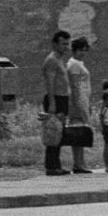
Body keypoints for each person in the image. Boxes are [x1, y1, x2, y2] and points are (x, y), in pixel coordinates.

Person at [41, 30, 73, 176]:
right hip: (56, 99)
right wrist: (52, 103)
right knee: (53, 133)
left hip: (63, 98)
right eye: (63, 44)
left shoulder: (60, 59)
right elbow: (50, 83)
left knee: (59, 134)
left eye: (67, 44)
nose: (66, 47)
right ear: (55, 44)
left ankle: (56, 165)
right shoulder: (52, 60)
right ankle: (51, 166)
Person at [65, 36, 94, 174]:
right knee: (78, 133)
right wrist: (81, 106)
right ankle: (79, 163)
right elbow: (76, 87)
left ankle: (80, 162)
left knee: (79, 133)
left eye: (85, 50)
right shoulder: (74, 64)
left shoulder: (77, 63)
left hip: (82, 100)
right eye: (81, 50)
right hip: (77, 102)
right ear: (75, 50)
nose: (83, 53)